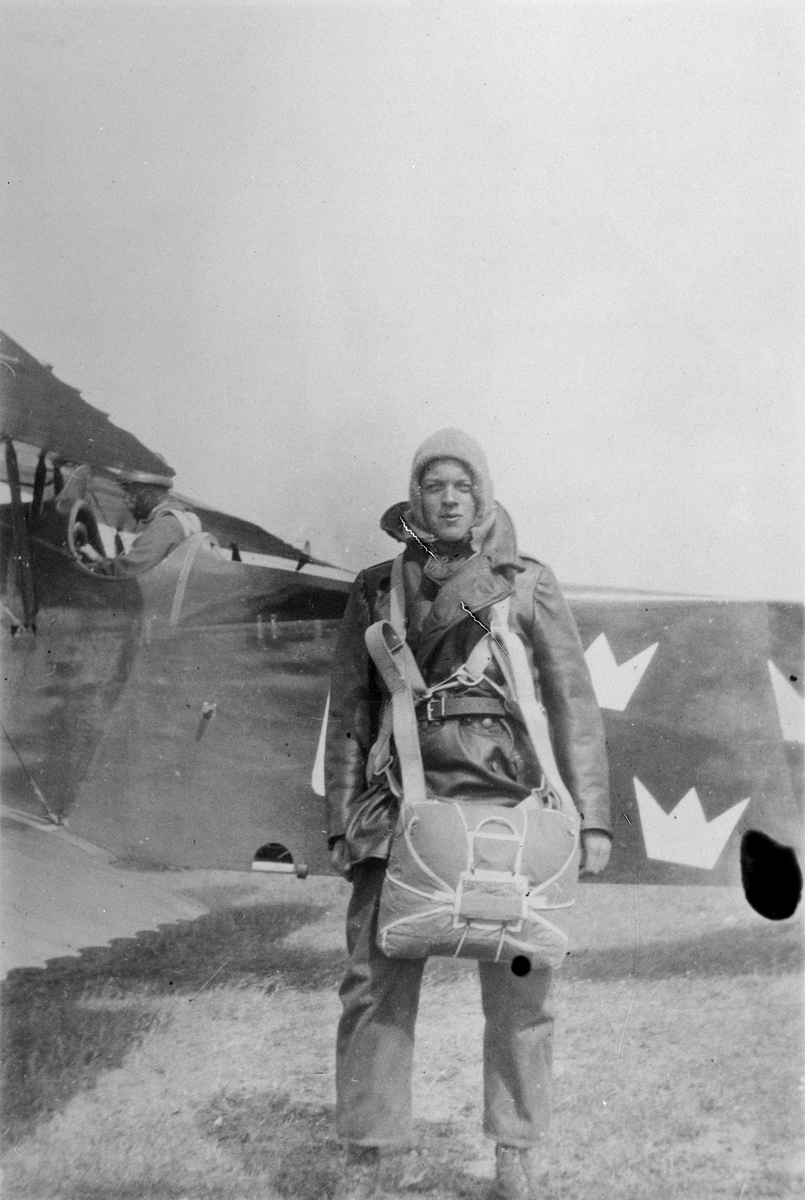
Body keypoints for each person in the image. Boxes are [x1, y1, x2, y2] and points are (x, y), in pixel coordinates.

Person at [324, 429, 611, 1200]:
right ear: (412, 497)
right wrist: (342, 820)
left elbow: (572, 706)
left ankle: (515, 1151)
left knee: (522, 985)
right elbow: (350, 711)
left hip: (502, 804)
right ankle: (371, 1153)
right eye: (432, 485)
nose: (448, 499)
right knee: (373, 983)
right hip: (398, 804)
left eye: (461, 486)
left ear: (481, 496)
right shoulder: (375, 588)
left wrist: (590, 819)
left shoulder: (526, 583)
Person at [78, 468, 201, 576]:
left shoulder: (167, 524)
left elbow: (129, 570)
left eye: (130, 493)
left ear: (148, 495)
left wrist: (86, 570)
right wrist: (99, 560)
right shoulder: (176, 518)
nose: (126, 500)